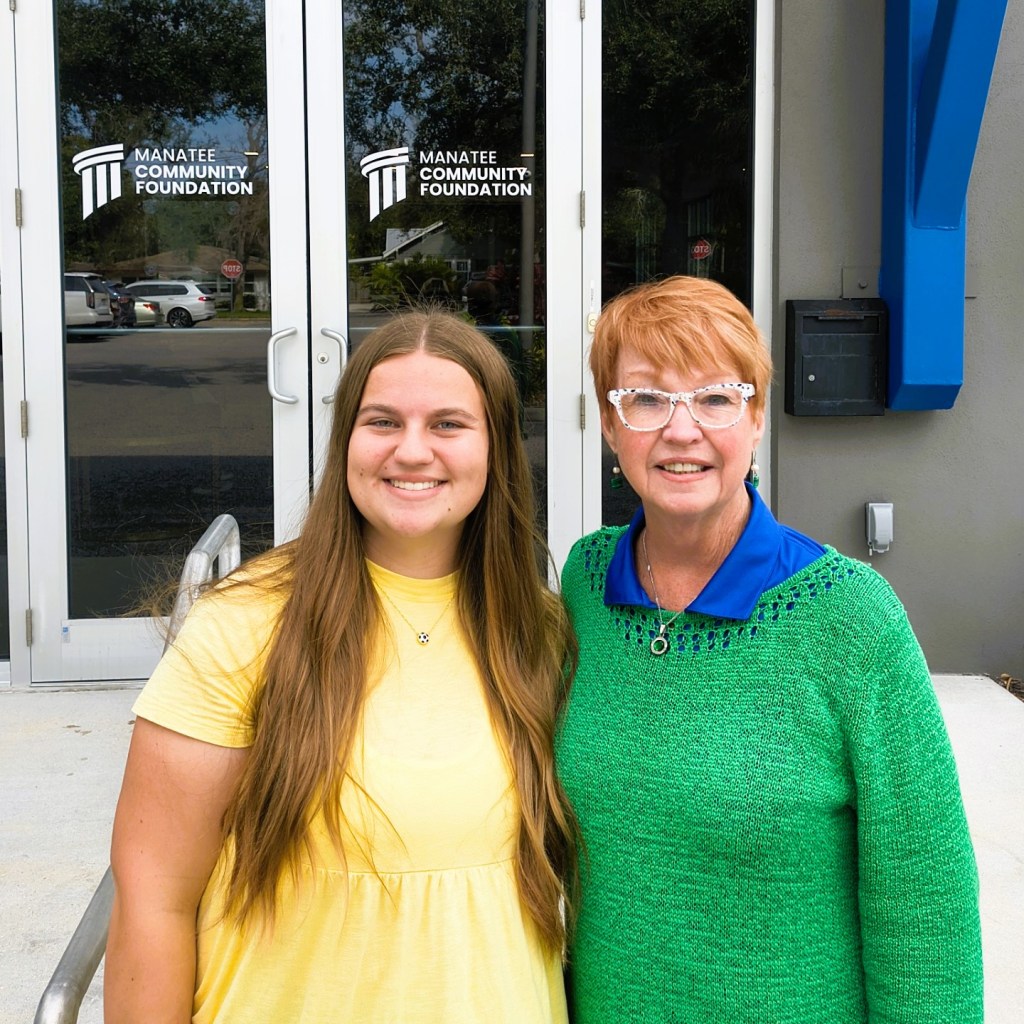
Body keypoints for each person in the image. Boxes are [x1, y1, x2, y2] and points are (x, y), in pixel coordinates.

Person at [105, 311, 578, 1024]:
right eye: (382, 421)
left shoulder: (538, 632)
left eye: (449, 424)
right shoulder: (246, 624)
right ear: (346, 442)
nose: (412, 451)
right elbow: (153, 899)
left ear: (496, 450)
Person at [556, 276, 983, 1023]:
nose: (681, 429)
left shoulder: (849, 616)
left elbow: (925, 899)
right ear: (609, 424)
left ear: (755, 421)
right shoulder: (588, 584)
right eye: (648, 399)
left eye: (717, 397)